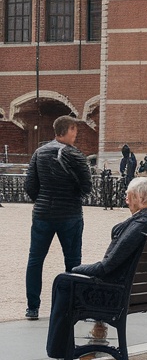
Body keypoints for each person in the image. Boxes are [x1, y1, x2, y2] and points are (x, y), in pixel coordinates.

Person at [46, 177, 147, 360]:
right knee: (72, 279)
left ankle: (59, 351)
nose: (126, 199)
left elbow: (106, 267)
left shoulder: (140, 225)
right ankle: (97, 335)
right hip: (145, 291)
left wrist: (75, 268)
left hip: (119, 295)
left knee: (64, 282)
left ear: (141, 198)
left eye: (129, 195)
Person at [24, 116, 92, 321]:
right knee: (72, 261)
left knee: (35, 260)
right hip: (70, 214)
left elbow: (29, 185)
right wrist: (73, 197)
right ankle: (73, 305)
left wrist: (42, 200)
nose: (76, 134)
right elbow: (87, 187)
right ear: (69, 130)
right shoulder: (76, 155)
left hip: (43, 213)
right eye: (75, 130)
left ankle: (32, 307)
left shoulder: (39, 152)